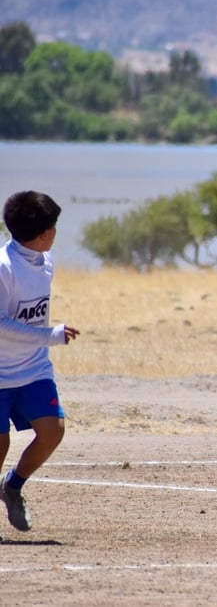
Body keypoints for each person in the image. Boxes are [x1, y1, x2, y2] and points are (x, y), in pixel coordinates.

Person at [0, 191, 79, 538]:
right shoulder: (4, 267)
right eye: (54, 226)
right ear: (45, 233)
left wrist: (45, 336)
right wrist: (50, 335)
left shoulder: (45, 261)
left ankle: (12, 486)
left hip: (34, 369)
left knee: (53, 431)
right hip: (1, 373)